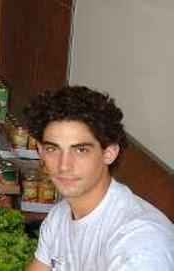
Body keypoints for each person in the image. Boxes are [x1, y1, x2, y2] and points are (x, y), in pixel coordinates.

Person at [25, 86, 174, 270]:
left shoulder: (140, 240)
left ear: (109, 153)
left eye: (81, 150)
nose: (64, 165)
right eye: (52, 149)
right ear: (40, 150)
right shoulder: (59, 218)